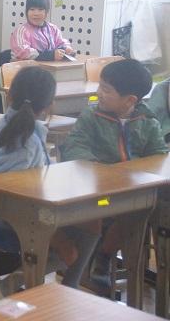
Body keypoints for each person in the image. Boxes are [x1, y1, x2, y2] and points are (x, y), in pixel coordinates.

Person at [0, 66, 99, 289]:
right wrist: (59, 238)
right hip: (11, 217)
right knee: (74, 242)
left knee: (92, 219)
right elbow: (10, 196)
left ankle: (65, 286)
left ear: (9, 96)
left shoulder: (12, 124)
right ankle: (11, 288)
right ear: (50, 105)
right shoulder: (26, 139)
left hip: (18, 210)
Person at [61, 59, 168, 290]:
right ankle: (99, 258)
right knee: (112, 207)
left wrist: (137, 172)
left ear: (130, 100)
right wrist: (102, 170)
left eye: (106, 90)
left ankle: (104, 254)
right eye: (100, 86)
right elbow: (75, 148)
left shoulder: (147, 121)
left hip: (131, 192)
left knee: (140, 208)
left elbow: (158, 155)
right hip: (100, 195)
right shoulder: (91, 117)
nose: (99, 93)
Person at [10, 0, 74, 61]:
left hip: (49, 66)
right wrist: (50, 55)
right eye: (32, 9)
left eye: (40, 10)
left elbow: (61, 42)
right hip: (27, 67)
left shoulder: (53, 29)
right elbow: (22, 51)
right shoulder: (22, 30)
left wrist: (66, 48)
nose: (36, 13)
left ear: (46, 12)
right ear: (27, 12)